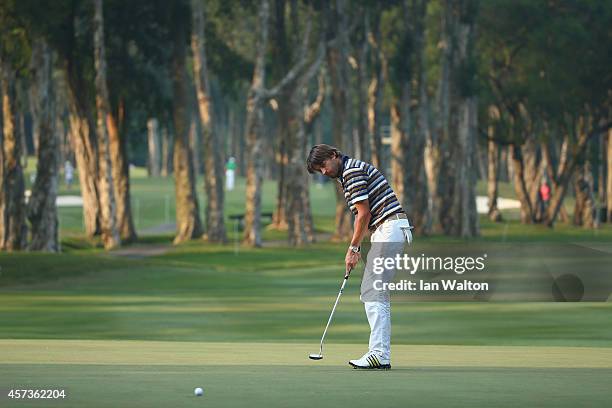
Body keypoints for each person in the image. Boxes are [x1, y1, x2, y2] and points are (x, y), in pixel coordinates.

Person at [306, 144, 412, 370]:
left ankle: (379, 354)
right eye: (319, 171)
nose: (324, 172)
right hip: (389, 228)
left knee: (373, 291)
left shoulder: (351, 172)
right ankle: (380, 353)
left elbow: (364, 213)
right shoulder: (348, 172)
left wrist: (353, 248)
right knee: (376, 291)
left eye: (323, 166)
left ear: (334, 155)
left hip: (389, 228)